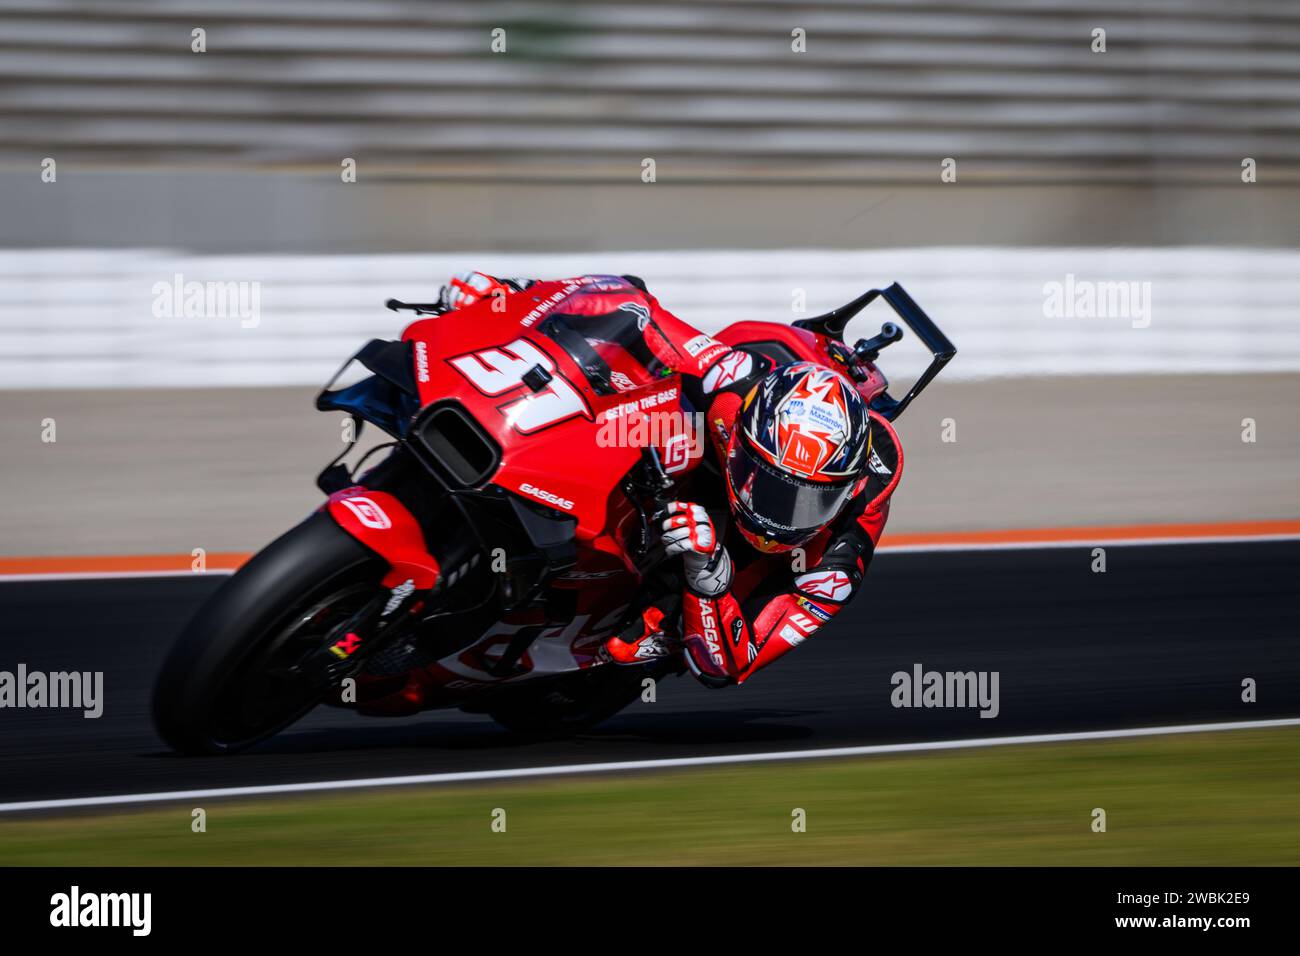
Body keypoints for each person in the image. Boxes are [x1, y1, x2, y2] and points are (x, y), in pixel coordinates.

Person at [437, 271, 902, 687]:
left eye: (808, 502)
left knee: (640, 641)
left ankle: (640, 608)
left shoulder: (843, 554)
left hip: (732, 554)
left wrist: (707, 576)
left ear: (847, 489)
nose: (779, 518)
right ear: (742, 442)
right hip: (716, 434)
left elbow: (728, 668)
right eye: (773, 489)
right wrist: (512, 297)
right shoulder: (732, 384)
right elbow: (632, 305)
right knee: (623, 391)